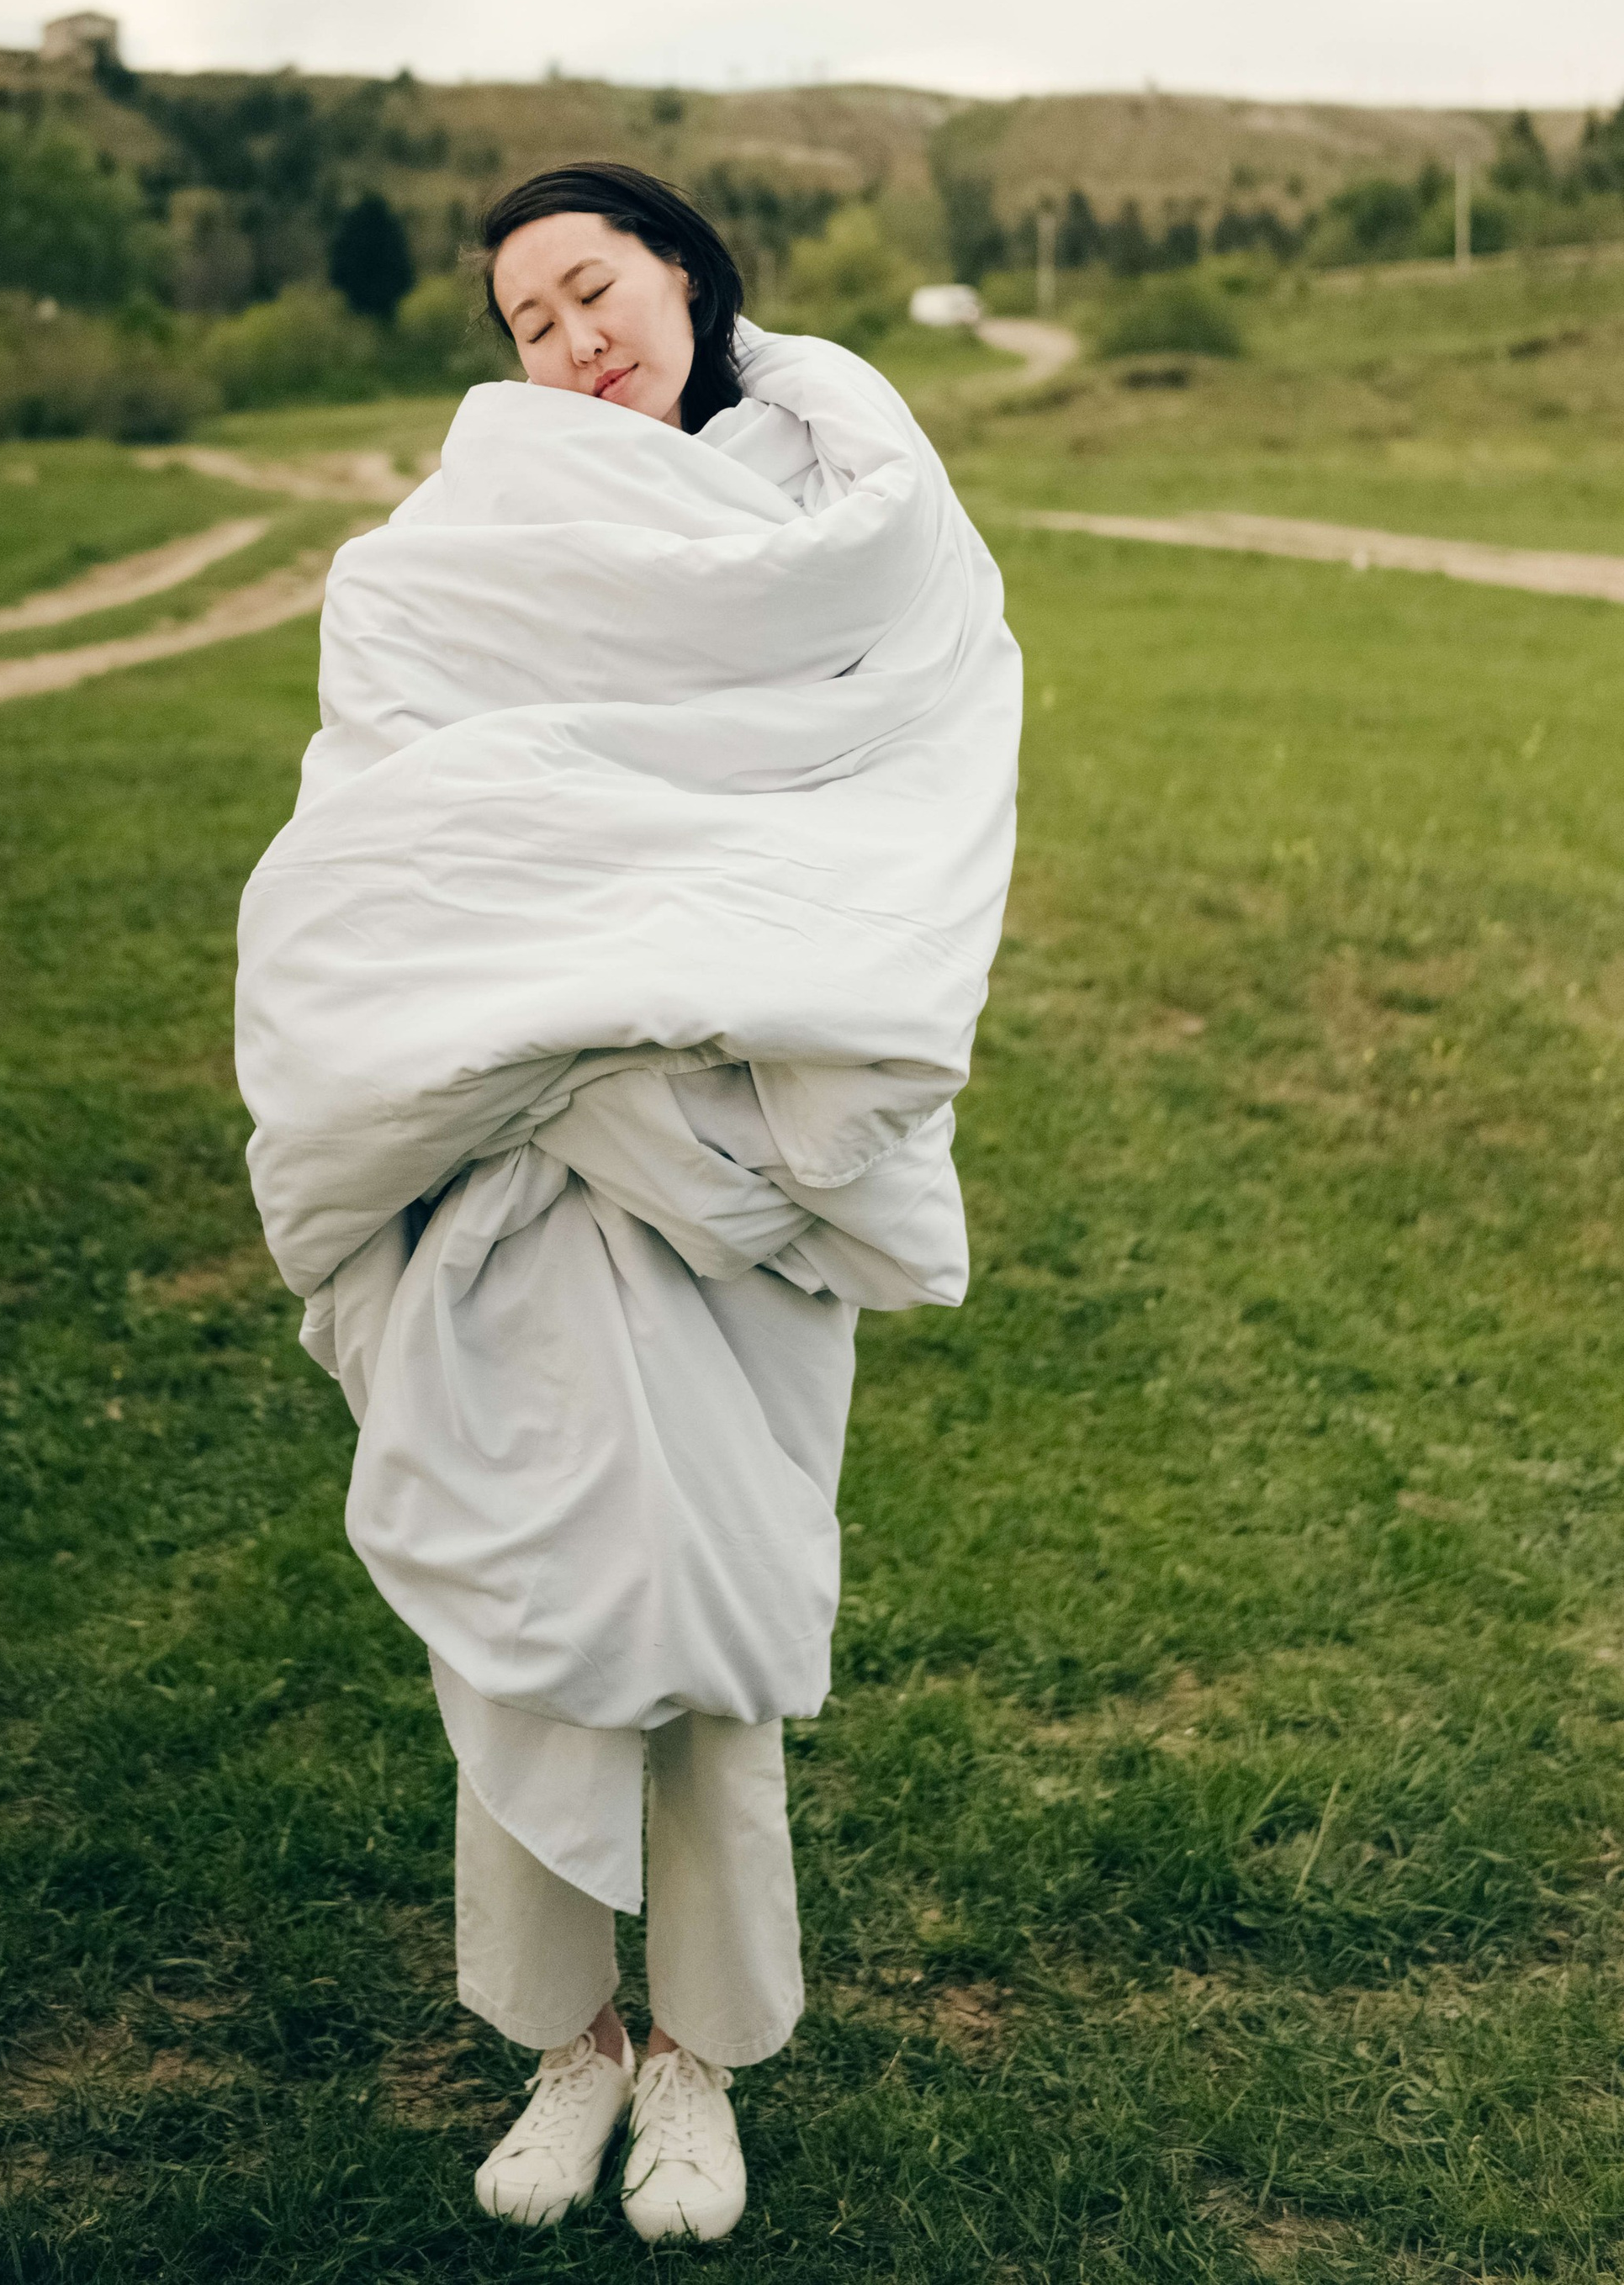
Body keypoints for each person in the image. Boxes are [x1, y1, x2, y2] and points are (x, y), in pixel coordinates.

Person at [236, 164, 1019, 2241]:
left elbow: (904, 804)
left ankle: (699, 2065)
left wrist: (664, 992)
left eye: (592, 289)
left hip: (731, 1145)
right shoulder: (463, 550)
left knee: (715, 1618)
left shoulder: (836, 522)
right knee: (527, 1609)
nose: (571, 342)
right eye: (525, 322)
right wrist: (550, 1001)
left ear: (683, 270)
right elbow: (396, 809)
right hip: (512, 1159)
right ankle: (563, 2045)